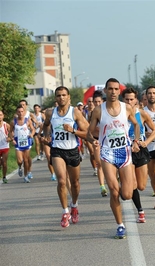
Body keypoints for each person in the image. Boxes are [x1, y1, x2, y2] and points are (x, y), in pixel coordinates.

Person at [87, 78, 141, 238]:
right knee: (113, 191)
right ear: (105, 91)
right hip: (107, 153)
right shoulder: (98, 110)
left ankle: (121, 186)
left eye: (116, 89)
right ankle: (120, 225)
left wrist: (136, 141)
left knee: (127, 195)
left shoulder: (127, 108)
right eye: (110, 89)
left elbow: (137, 125)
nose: (113, 92)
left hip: (124, 152)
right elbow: (89, 132)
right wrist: (93, 140)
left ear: (119, 91)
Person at [41, 86, 89, 227]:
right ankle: (65, 211)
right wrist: (47, 135)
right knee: (62, 181)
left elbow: (87, 132)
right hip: (57, 150)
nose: (61, 97)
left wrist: (73, 130)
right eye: (58, 95)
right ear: (55, 98)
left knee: (75, 183)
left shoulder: (75, 113)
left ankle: (74, 205)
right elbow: (45, 125)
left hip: (72, 151)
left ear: (68, 97)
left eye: (63, 95)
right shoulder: (50, 113)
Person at [122, 87, 155, 223]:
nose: (130, 102)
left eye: (132, 99)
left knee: (142, 186)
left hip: (141, 151)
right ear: (123, 100)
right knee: (133, 184)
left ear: (136, 100)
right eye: (127, 99)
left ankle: (123, 188)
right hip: (126, 151)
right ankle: (140, 211)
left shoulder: (142, 113)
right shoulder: (119, 114)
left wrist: (146, 142)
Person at [9, 104, 35, 183]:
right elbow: (10, 132)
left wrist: (31, 134)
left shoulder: (28, 120)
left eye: (22, 111)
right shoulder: (13, 122)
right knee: (20, 160)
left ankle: (26, 176)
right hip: (18, 143)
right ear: (17, 112)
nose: (20, 113)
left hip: (27, 142)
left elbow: (33, 129)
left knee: (26, 160)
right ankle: (20, 167)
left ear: (24, 112)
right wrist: (12, 139)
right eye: (19, 112)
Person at [0, 110, 11, 183]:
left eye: (0, 115)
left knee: (4, 163)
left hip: (5, 146)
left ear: (3, 116)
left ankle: (4, 177)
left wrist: (9, 138)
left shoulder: (6, 125)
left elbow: (11, 133)